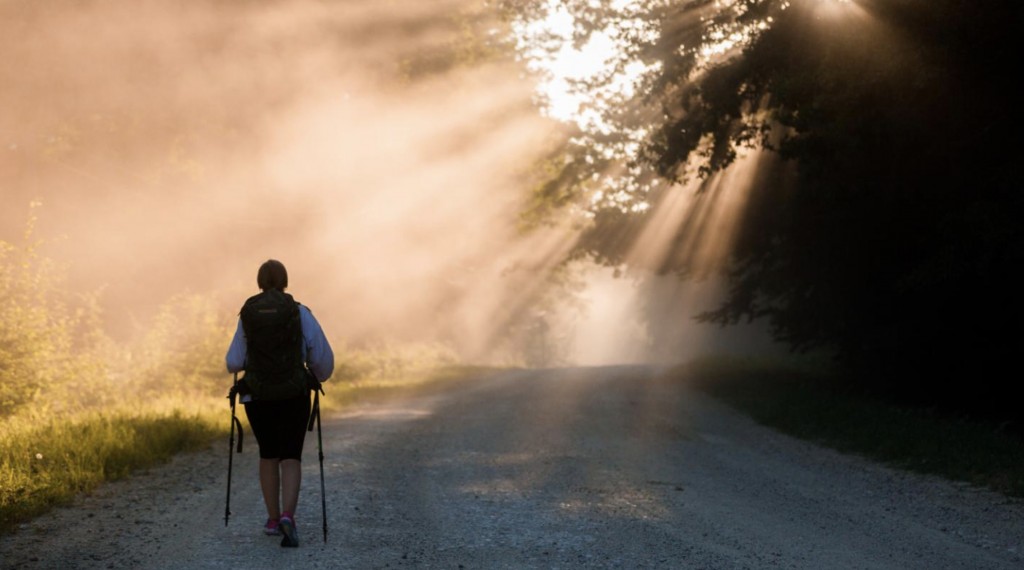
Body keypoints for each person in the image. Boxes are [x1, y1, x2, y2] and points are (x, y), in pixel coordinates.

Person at [225, 259, 334, 547]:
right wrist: (316, 375)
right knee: (291, 456)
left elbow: (233, 361)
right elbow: (322, 356)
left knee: (268, 454)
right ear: (285, 281)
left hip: (257, 397)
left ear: (259, 282)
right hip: (294, 395)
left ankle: (272, 519)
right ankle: (288, 515)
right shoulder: (299, 313)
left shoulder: (247, 314)